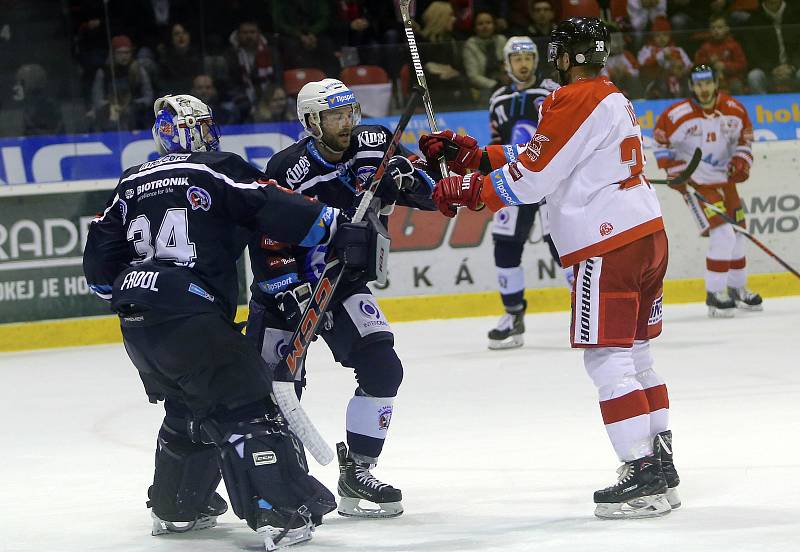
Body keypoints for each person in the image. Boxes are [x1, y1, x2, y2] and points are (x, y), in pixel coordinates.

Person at [82, 93, 381, 549]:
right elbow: (266, 202)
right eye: (203, 125)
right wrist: (336, 226)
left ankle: (178, 507)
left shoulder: (130, 181)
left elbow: (100, 274)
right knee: (249, 405)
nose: (209, 132)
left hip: (138, 325)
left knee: (190, 404)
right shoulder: (212, 167)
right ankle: (276, 513)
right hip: (192, 317)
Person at [419, 17, 680, 519]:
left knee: (607, 359)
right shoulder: (609, 96)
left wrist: (470, 191)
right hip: (646, 233)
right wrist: (475, 156)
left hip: (607, 243)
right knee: (638, 356)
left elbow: (534, 178)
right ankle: (661, 467)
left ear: (567, 55)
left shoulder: (571, 99)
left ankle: (642, 473)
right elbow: (552, 154)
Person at [247, 78, 437, 519]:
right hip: (287, 291)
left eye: (349, 112)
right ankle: (278, 485)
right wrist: (289, 289)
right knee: (275, 393)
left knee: (382, 367)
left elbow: (431, 197)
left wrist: (407, 177)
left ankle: (359, 472)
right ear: (312, 122)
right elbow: (266, 241)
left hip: (343, 283)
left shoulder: (375, 144)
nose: (346, 123)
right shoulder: (286, 169)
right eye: (335, 116)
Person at [654, 64, 762, 317]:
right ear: (691, 86)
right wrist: (674, 171)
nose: (703, 89)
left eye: (707, 83)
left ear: (716, 83)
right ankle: (715, 293)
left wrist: (741, 161)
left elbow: (745, 140)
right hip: (696, 185)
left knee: (739, 235)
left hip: (726, 183)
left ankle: (737, 289)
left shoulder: (733, 110)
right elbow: (660, 141)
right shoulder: (676, 114)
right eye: (698, 84)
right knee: (723, 235)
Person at [484, 36, 565, 349]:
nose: (523, 63)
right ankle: (513, 315)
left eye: (529, 57)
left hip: (550, 180)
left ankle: (586, 307)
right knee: (504, 245)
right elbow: (495, 139)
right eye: (517, 58)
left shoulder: (551, 91)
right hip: (514, 180)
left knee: (561, 243)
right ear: (507, 63)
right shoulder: (497, 100)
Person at [694, 15, 747, 94]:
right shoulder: (705, 47)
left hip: (731, 79)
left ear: (726, 29)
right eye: (713, 28)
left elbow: (742, 65)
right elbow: (697, 66)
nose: (716, 30)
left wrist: (725, 66)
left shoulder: (734, 45)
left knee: (736, 85)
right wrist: (709, 63)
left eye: (719, 27)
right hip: (710, 80)